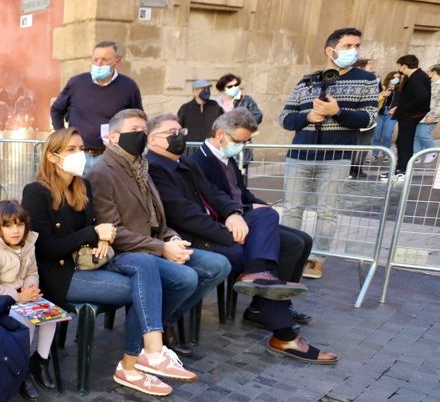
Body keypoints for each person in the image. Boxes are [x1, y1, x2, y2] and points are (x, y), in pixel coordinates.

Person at [23, 128, 191, 397]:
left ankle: (147, 353)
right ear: (53, 157)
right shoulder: (36, 192)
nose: (81, 155)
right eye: (72, 149)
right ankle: (136, 362)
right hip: (60, 274)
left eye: (82, 149)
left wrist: (102, 237)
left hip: (93, 263)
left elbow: (93, 227)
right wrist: (94, 233)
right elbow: (46, 249)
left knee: (146, 270)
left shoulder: (82, 187)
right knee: (143, 291)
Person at [176, 111, 337, 363]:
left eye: (246, 141)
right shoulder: (199, 161)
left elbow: (241, 192)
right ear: (220, 135)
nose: (243, 146)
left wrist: (258, 205)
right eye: (240, 141)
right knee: (276, 232)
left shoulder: (225, 160)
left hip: (240, 218)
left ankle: (264, 301)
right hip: (225, 225)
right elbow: (212, 203)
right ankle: (271, 308)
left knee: (300, 240)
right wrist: (247, 211)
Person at [87, 109, 231, 359]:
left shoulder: (140, 166)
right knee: (185, 278)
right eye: (134, 131)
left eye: (144, 131)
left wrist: (171, 239)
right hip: (125, 253)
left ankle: (161, 322)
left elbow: (157, 217)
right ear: (113, 136)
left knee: (219, 265)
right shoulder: (103, 173)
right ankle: (147, 341)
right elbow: (112, 231)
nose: (140, 136)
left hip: (154, 244)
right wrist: (162, 248)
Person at [278, 27, 378, 279]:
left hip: (335, 157)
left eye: (357, 46)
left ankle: (316, 258)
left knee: (327, 211)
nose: (353, 50)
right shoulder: (307, 80)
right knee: (292, 209)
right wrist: (307, 117)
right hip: (300, 155)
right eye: (347, 46)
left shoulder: (367, 80)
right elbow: (285, 118)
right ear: (330, 50)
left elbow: (368, 119)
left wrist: (337, 112)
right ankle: (288, 253)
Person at [0, 200, 55, 399]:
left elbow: (32, 271)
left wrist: (30, 286)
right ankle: (21, 368)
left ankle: (41, 360)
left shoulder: (27, 245)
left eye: (20, 224)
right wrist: (19, 296)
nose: (16, 230)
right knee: (26, 321)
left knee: (49, 315)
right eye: (8, 225)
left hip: (19, 295)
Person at [50, 40, 144, 155]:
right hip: (78, 154)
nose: (99, 64)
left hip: (111, 155)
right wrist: (63, 138)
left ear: (117, 61)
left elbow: (138, 120)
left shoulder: (128, 86)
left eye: (105, 60)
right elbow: (56, 110)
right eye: (95, 60)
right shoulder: (76, 83)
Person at [393, 54, 435, 169]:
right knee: (402, 142)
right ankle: (401, 168)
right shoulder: (419, 75)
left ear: (405, 66)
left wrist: (404, 108)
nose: (399, 69)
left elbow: (422, 96)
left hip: (410, 116)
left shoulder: (416, 77)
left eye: (400, 66)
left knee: (404, 143)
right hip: (411, 114)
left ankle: (401, 170)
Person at [421, 64, 440, 161]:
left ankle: (433, 151)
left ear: (434, 72)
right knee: (417, 134)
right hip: (422, 114)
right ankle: (416, 154)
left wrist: (433, 115)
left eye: (429, 71)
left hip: (432, 115)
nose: (428, 72)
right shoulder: (430, 83)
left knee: (423, 134)